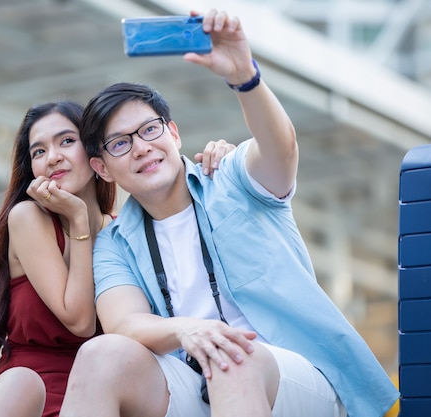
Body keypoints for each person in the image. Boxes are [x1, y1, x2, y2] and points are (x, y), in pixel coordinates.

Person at [59, 9, 399, 417]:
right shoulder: (115, 242)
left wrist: (244, 77)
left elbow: (280, 148)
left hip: (294, 376)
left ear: (174, 133)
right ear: (101, 168)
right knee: (101, 354)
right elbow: (125, 323)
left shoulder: (230, 177)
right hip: (193, 374)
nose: (141, 147)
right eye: (120, 143)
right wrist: (187, 329)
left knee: (231, 357)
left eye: (150, 130)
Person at [0, 100, 234, 417]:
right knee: (20, 383)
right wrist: (79, 220)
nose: (52, 157)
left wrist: (225, 163)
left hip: (111, 395)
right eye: (38, 152)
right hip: (30, 397)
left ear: (97, 157)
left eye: (67, 141)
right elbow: (80, 321)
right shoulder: (28, 218)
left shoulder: (124, 234)